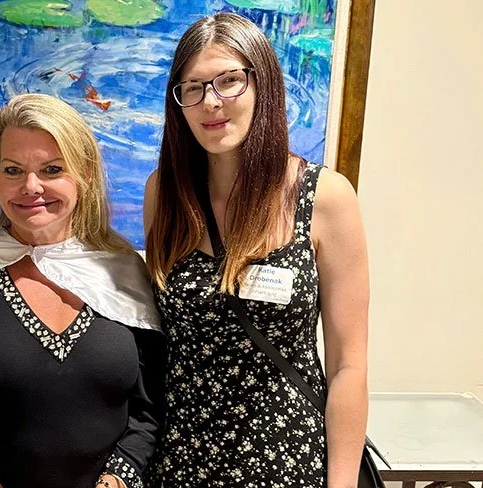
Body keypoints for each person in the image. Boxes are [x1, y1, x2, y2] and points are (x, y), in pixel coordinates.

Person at [143, 13, 371, 487]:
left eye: (229, 81)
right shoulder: (164, 192)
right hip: (184, 461)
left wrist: (342, 482)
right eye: (192, 87)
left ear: (261, 82)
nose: (211, 103)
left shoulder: (324, 197)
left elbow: (349, 365)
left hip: (287, 462)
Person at [0, 93, 164, 488]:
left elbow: (148, 408)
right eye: (13, 170)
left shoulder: (123, 274)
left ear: (81, 175)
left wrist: (119, 479)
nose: (31, 187)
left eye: (51, 169)